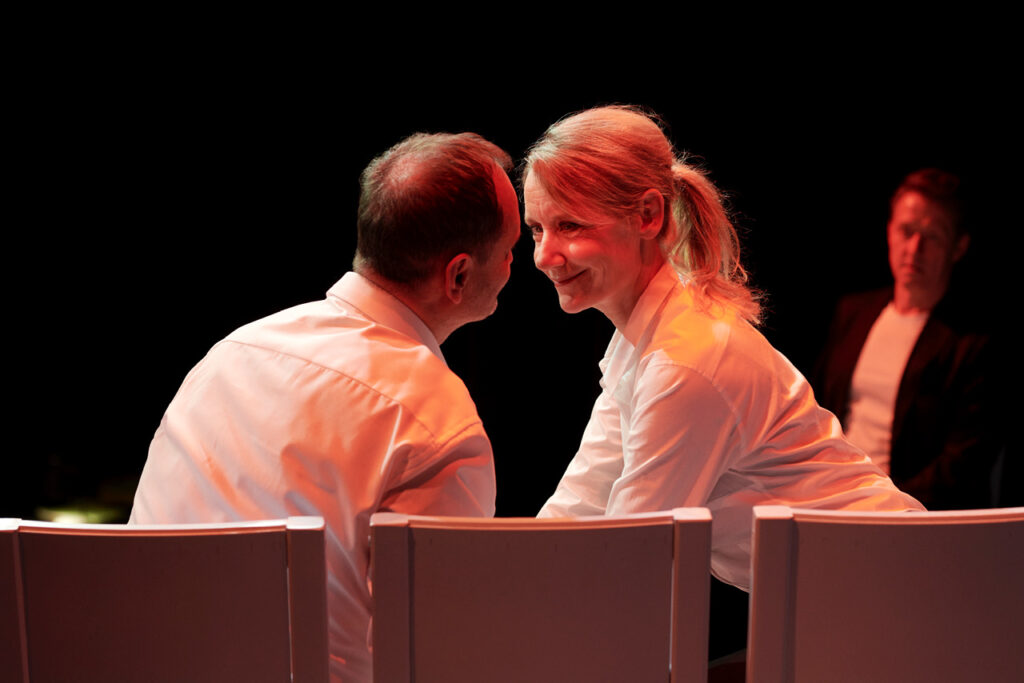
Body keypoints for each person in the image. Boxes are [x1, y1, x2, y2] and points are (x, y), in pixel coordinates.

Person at [130, 132, 521, 682]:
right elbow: (433, 658)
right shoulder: (437, 423)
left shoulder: (232, 352)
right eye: (510, 249)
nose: (517, 263)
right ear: (458, 275)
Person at [524, 105, 923, 594]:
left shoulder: (686, 359)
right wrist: (508, 582)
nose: (543, 256)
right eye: (536, 229)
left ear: (648, 215)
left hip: (898, 588)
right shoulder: (643, 343)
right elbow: (578, 506)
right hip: (853, 594)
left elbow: (628, 556)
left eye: (570, 226)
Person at [814, 169, 1005, 509]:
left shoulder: (973, 345)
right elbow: (817, 412)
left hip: (910, 513)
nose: (915, 249)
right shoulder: (853, 313)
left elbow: (962, 465)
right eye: (906, 231)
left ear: (958, 247)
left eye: (932, 237)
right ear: (889, 230)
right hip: (834, 497)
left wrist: (883, 504)